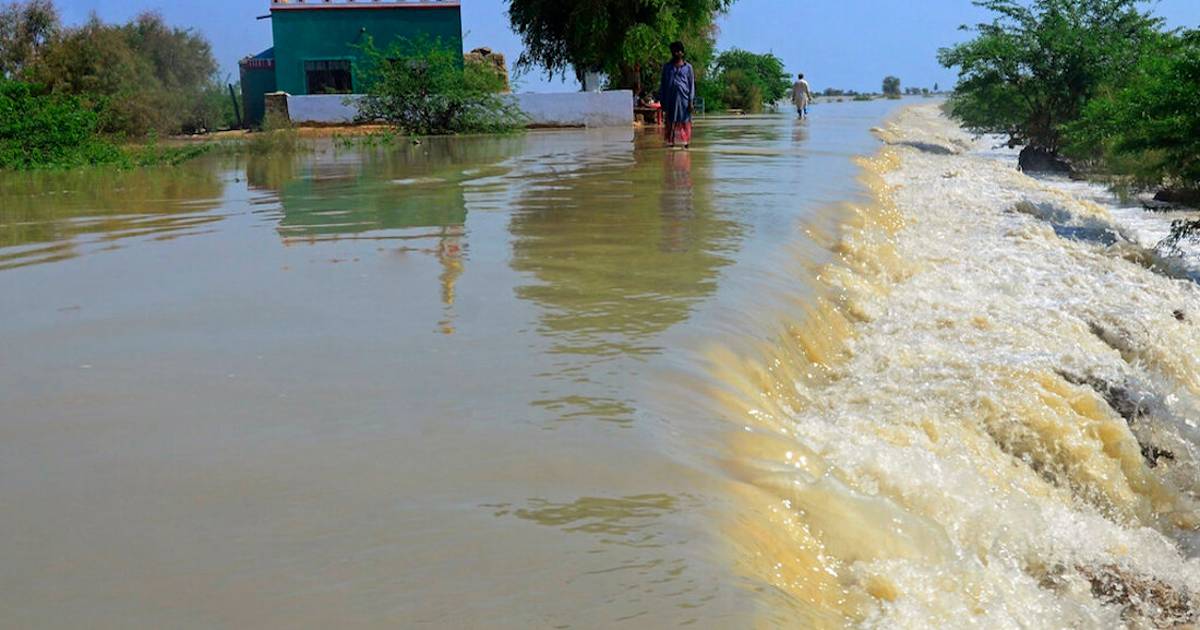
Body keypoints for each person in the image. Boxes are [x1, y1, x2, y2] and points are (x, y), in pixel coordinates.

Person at [659, 41, 696, 149]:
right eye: (674, 51)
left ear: (682, 53)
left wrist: (691, 101)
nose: (676, 53)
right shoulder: (667, 67)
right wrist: (662, 101)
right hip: (670, 99)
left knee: (685, 121)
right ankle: (670, 144)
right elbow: (663, 84)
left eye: (678, 51)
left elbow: (691, 85)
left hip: (684, 100)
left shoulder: (688, 67)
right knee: (670, 121)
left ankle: (685, 144)